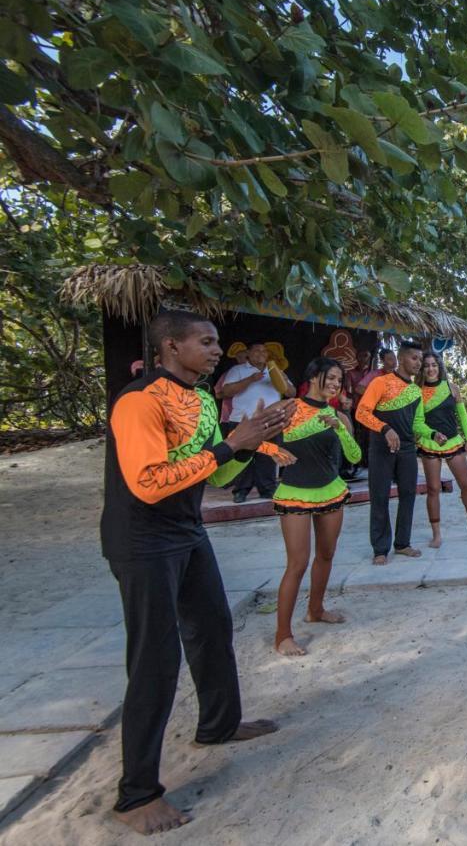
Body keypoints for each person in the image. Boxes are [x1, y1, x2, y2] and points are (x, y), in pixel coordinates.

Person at [102, 309, 291, 835]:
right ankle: (136, 795)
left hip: (187, 530)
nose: (215, 350)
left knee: (211, 628)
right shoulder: (139, 402)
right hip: (142, 540)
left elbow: (218, 473)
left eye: (215, 342)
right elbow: (149, 482)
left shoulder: (203, 400)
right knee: (155, 659)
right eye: (205, 342)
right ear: (170, 347)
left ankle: (220, 725)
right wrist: (233, 442)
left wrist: (249, 448)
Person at [272, 357, 362, 657]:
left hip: (331, 491)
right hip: (295, 492)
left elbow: (353, 456)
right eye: (332, 378)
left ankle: (316, 609)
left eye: (340, 380)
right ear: (314, 376)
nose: (336, 384)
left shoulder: (338, 415)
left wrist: (339, 427)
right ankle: (283, 635)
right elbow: (251, 439)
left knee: (326, 554)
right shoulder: (290, 409)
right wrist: (274, 451)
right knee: (297, 564)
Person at [356, 342, 427, 565]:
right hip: (380, 447)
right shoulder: (380, 382)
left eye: (420, 359)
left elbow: (418, 423)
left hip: (406, 448)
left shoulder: (416, 391)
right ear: (402, 358)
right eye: (415, 358)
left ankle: (402, 544)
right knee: (380, 496)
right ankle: (380, 548)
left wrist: (432, 435)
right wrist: (385, 429)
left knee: (408, 494)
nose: (419, 363)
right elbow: (361, 413)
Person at [415, 349, 467, 548]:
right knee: (433, 489)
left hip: (454, 442)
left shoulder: (452, 387)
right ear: (422, 369)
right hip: (430, 443)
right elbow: (417, 422)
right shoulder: (417, 391)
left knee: (466, 485)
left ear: (439, 366)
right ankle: (436, 534)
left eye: (434, 364)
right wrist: (431, 434)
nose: (430, 368)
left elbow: (463, 416)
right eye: (426, 365)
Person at [216, 342, 296, 503]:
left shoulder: (275, 371)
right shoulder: (237, 370)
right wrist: (250, 379)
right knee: (241, 456)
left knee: (268, 455)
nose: (261, 353)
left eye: (264, 351)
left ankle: (267, 489)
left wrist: (283, 380)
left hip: (271, 421)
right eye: (257, 350)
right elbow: (225, 392)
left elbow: (291, 392)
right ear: (248, 354)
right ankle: (241, 490)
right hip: (242, 421)